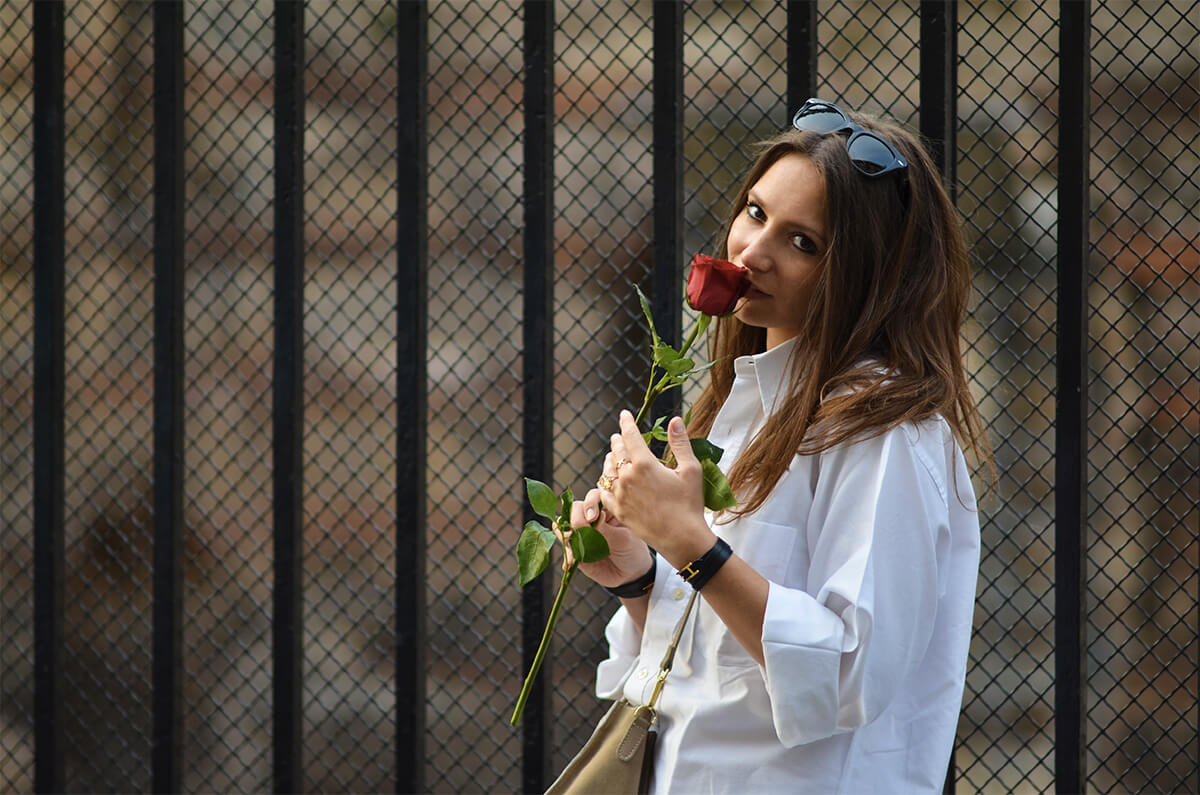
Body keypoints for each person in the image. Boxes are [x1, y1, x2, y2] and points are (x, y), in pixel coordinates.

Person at [567, 99, 991, 794]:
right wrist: (640, 576)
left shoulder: (890, 432)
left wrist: (692, 546)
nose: (752, 251)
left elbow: (851, 670)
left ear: (866, 273)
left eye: (804, 243)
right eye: (757, 213)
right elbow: (719, 666)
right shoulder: (739, 406)